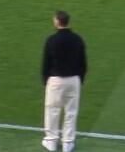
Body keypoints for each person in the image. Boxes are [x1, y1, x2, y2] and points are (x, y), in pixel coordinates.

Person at [41, 10, 86, 152]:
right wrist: (79, 79)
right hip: (74, 80)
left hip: (56, 80)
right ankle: (68, 142)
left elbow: (46, 63)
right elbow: (83, 63)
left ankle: (51, 140)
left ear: (57, 21)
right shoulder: (77, 39)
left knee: (52, 110)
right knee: (71, 111)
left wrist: (45, 81)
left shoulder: (51, 40)